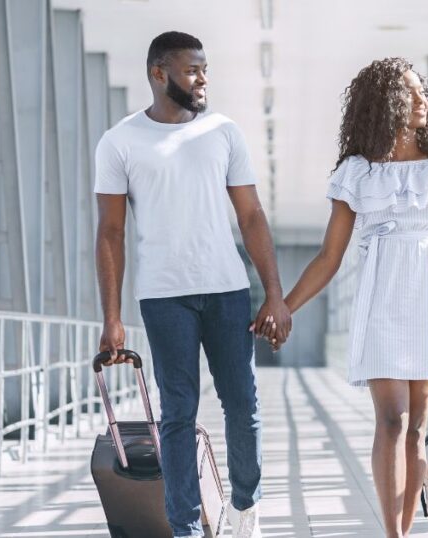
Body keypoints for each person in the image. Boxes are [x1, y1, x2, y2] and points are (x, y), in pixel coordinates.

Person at [94, 31, 287, 538]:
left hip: (227, 290)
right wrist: (111, 317)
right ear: (159, 74)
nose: (202, 79)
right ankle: (185, 527)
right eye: (191, 69)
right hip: (163, 296)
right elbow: (110, 232)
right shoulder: (120, 141)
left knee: (242, 404)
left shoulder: (224, 132)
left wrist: (274, 293)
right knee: (176, 412)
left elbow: (251, 215)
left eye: (204, 68)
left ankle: (245, 511)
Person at [282, 57, 428, 537]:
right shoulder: (357, 171)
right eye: (408, 93)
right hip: (381, 299)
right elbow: (330, 257)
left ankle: (406, 531)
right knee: (391, 420)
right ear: (383, 103)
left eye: (421, 91)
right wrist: (283, 308)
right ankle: (391, 532)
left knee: (416, 426)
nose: (421, 101)